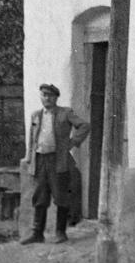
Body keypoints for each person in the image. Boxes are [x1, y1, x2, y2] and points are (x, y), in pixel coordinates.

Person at [21, 83, 89, 244]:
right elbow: (32, 139)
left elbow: (85, 126)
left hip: (58, 161)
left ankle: (60, 232)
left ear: (56, 98)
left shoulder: (65, 113)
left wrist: (72, 142)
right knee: (40, 196)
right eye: (44, 95)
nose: (47, 98)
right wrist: (29, 157)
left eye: (50, 96)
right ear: (41, 97)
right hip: (40, 160)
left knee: (61, 196)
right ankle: (37, 233)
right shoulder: (36, 115)